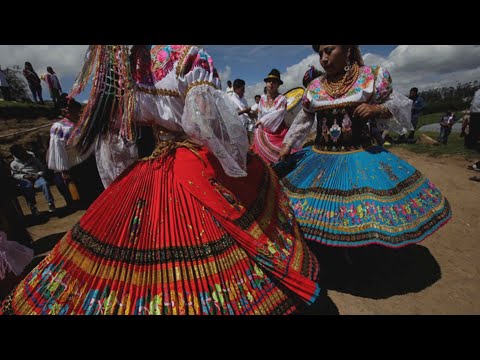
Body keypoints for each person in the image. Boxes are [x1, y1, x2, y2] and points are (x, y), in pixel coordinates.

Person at [0, 45, 320, 315]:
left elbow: (127, 141)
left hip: (172, 163)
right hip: (175, 161)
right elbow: (199, 126)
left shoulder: (174, 58)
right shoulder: (152, 64)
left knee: (164, 239)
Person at [277, 45, 451, 250]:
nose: (323, 58)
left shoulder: (371, 77)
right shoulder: (315, 86)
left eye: (329, 50)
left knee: (359, 207)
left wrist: (377, 108)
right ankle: (332, 252)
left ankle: (358, 254)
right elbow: (304, 117)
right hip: (321, 157)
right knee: (318, 206)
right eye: (320, 53)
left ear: (348, 50)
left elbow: (399, 106)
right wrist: (288, 143)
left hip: (360, 155)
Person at [252, 69, 300, 164]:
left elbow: (278, 114)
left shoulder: (282, 99)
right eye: (269, 81)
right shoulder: (262, 99)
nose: (271, 83)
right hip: (265, 130)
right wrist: (260, 124)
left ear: (278, 85)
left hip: (278, 131)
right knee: (258, 136)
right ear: (266, 83)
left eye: (274, 82)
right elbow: (260, 114)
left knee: (285, 157)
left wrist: (262, 120)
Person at [9, 144, 56, 215]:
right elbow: (15, 175)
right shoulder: (14, 164)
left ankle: (51, 203)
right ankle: (32, 206)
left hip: (37, 177)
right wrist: (24, 176)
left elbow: (41, 168)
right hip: (25, 180)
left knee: (44, 184)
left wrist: (38, 174)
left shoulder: (32, 157)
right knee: (27, 187)